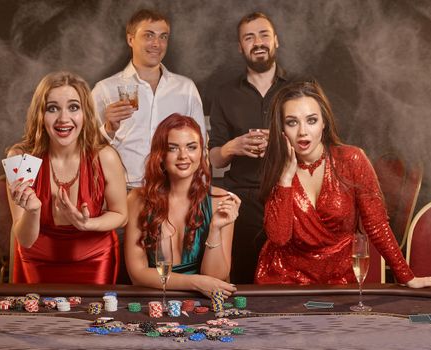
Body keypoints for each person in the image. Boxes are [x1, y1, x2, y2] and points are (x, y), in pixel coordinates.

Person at [255, 79, 431, 289]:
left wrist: (407, 277)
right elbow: (278, 238)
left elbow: (377, 226)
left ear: (324, 122)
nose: (303, 131)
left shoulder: (352, 159)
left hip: (338, 281)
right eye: (292, 122)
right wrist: (285, 179)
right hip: (284, 281)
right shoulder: (277, 167)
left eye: (311, 120)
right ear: (282, 128)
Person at [7, 71, 128, 284]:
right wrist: (33, 211)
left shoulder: (104, 157)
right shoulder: (22, 158)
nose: (64, 119)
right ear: (40, 114)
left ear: (86, 113)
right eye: (52, 108)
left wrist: (87, 224)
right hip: (37, 261)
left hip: (95, 258)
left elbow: (121, 215)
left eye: (74, 107)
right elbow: (25, 240)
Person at [208, 12, 287, 283]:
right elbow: (215, 159)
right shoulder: (225, 93)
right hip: (242, 197)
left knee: (287, 276)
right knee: (241, 277)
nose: (258, 42)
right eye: (249, 37)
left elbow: (318, 147)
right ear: (240, 47)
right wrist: (232, 147)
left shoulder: (299, 89)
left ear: (276, 40)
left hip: (288, 192)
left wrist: (280, 145)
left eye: (264, 34)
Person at [125, 114, 240, 297]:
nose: (183, 156)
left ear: (201, 151)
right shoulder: (137, 199)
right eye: (172, 148)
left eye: (191, 147)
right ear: (160, 154)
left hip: (204, 303)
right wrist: (194, 282)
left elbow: (217, 277)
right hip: (155, 300)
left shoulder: (220, 199)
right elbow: (137, 274)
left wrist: (215, 229)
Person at [92, 9, 206, 189]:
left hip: (173, 190)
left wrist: (199, 190)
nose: (157, 43)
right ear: (130, 39)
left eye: (163, 37)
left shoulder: (186, 88)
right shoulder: (105, 89)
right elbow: (85, 147)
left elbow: (201, 145)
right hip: (122, 191)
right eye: (149, 35)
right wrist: (108, 129)